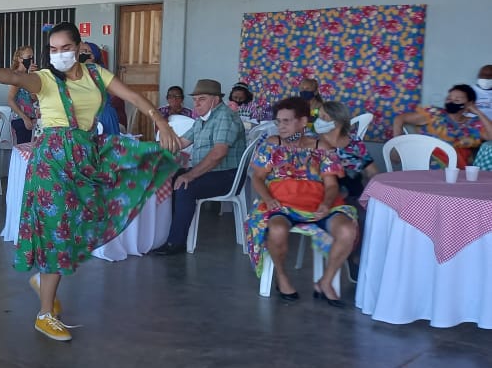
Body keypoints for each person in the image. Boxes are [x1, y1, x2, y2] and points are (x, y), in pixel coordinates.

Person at [0, 22, 180, 342]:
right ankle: (45, 314)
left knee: (80, 222)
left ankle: (43, 281)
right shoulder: (46, 78)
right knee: (57, 232)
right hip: (52, 160)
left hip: (85, 153)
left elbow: (132, 95)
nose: (59, 54)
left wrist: (160, 120)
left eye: (65, 48)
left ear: (78, 48)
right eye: (53, 49)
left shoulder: (96, 75)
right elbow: (13, 78)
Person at [246, 97, 359, 305]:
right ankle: (281, 276)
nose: (280, 126)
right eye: (278, 121)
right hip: (281, 205)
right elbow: (258, 178)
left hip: (318, 205)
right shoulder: (272, 145)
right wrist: (268, 199)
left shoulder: (321, 147)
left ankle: (326, 281)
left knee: (347, 230)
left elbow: (332, 185)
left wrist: (326, 203)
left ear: (303, 121)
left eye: (286, 121)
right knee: (277, 230)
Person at [152, 79, 248, 256]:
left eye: (202, 99)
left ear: (215, 100)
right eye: (195, 99)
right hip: (211, 172)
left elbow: (218, 153)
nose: (196, 104)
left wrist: (190, 175)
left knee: (185, 186)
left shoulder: (225, 117)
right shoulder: (202, 120)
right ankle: (164, 235)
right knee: (170, 177)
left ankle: (176, 242)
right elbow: (180, 143)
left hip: (228, 176)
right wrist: (149, 147)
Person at [393, 84, 492, 167]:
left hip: (458, 173)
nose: (451, 102)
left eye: (457, 100)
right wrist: (396, 149)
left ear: (469, 104)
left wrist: (478, 112)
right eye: (449, 98)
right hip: (426, 168)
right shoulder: (434, 114)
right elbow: (400, 119)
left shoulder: (473, 124)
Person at [315, 101, 377, 200]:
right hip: (321, 195)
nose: (319, 120)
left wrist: (374, 194)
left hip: (353, 195)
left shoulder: (354, 141)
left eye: (324, 117)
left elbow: (372, 171)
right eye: (319, 116)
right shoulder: (312, 141)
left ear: (338, 121)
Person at [80, 41, 126, 134]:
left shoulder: (100, 72)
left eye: (85, 51)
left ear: (92, 57)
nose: (81, 53)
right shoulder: (77, 72)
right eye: (80, 51)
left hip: (103, 115)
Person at [6, 45, 39, 144]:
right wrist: (24, 118)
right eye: (28, 57)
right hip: (20, 118)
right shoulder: (16, 76)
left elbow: (34, 98)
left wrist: (32, 77)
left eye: (32, 57)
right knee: (23, 147)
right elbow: (10, 99)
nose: (31, 60)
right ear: (20, 59)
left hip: (31, 117)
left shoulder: (27, 76)